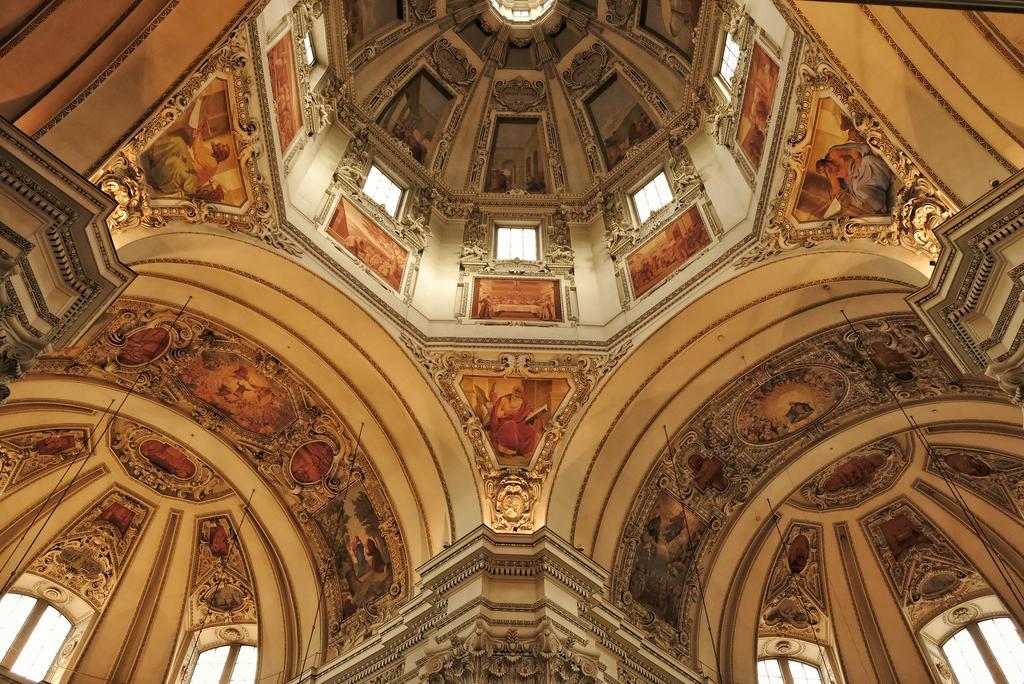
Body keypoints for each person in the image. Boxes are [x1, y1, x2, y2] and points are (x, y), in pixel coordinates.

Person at [815, 142, 898, 217]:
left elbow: (852, 151)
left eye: (826, 167)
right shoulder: (831, 174)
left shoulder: (834, 154)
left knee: (868, 160)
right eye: (825, 171)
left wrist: (857, 159)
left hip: (860, 167)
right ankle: (880, 205)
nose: (828, 170)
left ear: (827, 161)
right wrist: (840, 197)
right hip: (856, 180)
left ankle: (888, 176)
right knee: (858, 188)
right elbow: (837, 190)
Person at [487, 383, 541, 457]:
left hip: (519, 423)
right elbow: (496, 414)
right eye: (516, 392)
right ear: (513, 392)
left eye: (520, 393)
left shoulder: (523, 403)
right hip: (504, 423)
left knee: (531, 430)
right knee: (511, 425)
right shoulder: (504, 400)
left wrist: (531, 415)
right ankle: (508, 451)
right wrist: (505, 412)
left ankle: (525, 451)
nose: (518, 395)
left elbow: (527, 412)